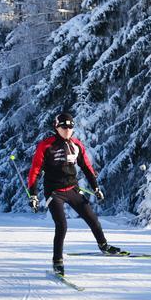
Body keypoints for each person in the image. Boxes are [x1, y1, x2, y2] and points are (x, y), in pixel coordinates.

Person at [27, 112, 123, 276]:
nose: (67, 131)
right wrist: (33, 195)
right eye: (64, 127)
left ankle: (103, 246)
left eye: (70, 127)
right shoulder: (46, 146)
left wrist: (96, 187)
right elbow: (35, 170)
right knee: (62, 225)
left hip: (72, 189)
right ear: (56, 128)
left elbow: (86, 167)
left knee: (92, 218)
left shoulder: (76, 144)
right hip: (54, 192)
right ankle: (57, 262)